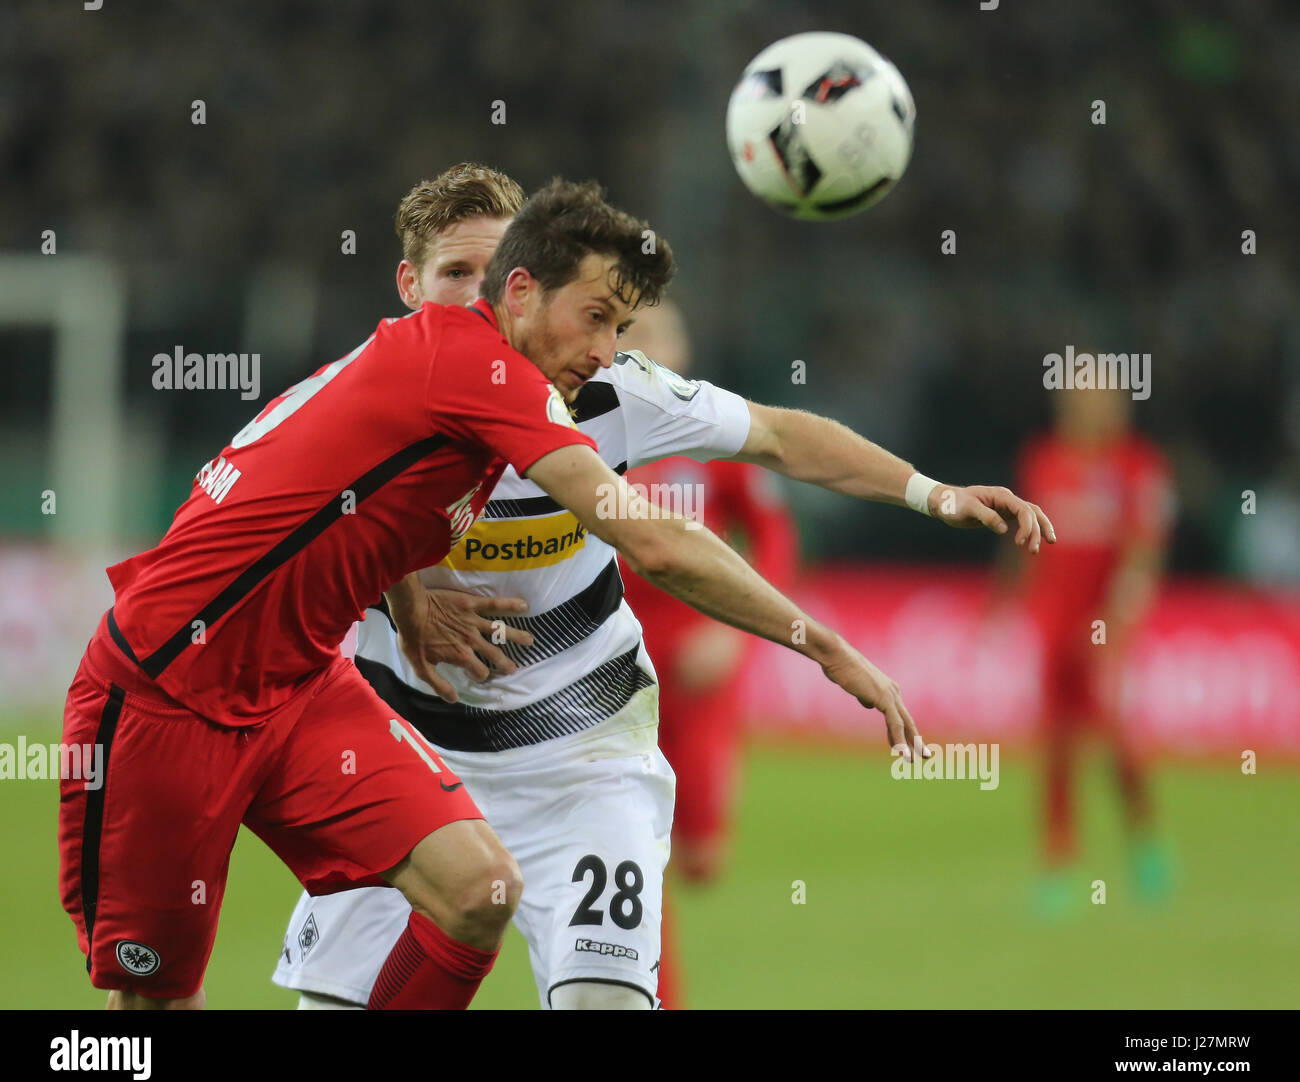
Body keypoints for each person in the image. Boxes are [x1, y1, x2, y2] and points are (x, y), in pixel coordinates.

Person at [60, 175, 941, 1011]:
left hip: (302, 686)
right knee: (155, 1000)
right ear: (516, 292)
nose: (606, 350)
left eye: (621, 325)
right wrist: (822, 643)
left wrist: (404, 598)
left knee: (478, 890)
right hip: (167, 689)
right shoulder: (482, 372)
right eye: (595, 317)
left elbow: (346, 501)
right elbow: (654, 542)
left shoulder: (487, 382)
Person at [273, 164, 1055, 1011]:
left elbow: (781, 439)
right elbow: (279, 526)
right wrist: (403, 586)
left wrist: (930, 492)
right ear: (408, 285)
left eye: (491, 271)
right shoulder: (365, 392)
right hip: (406, 754)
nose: (478, 294)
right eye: (454, 275)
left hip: (580, 756)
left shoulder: (609, 389)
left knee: (603, 1002)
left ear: (524, 282)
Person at [619, 299, 798, 1008]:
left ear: (684, 346)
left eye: (660, 332)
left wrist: (736, 630)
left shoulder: (716, 434)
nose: (647, 348)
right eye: (629, 334)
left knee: (702, 863)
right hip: (613, 676)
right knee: (635, 845)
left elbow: (776, 537)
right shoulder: (588, 437)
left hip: (698, 676)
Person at [1012, 384, 1174, 912]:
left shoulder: (1137, 466)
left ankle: (1146, 843)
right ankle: (1058, 862)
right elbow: (1025, 543)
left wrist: (1119, 618)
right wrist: (1011, 600)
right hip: (1055, 629)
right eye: (1079, 394)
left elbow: (1145, 550)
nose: (1087, 405)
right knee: (1056, 748)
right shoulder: (1044, 460)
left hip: (1104, 633)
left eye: (1098, 393)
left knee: (1119, 743)